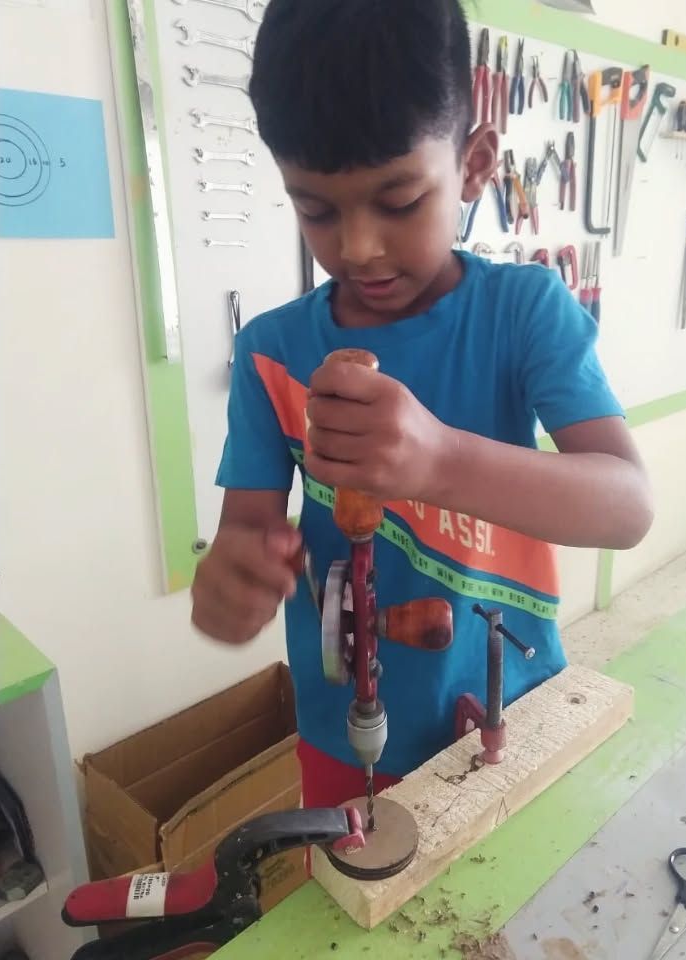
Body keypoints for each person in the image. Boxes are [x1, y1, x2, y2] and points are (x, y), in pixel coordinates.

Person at [190, 0, 653, 810]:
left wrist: (439, 460)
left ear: (474, 165)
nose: (358, 247)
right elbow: (245, 536)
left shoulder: (523, 313)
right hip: (344, 736)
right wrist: (230, 582)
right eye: (316, 210)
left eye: (399, 201)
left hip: (516, 710)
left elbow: (627, 507)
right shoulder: (270, 352)